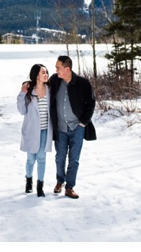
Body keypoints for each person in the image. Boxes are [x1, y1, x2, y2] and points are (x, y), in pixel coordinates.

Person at [49, 55, 96, 199]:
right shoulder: (55, 80)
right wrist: (27, 85)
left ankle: (69, 187)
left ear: (67, 69)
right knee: (60, 157)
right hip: (61, 128)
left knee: (74, 159)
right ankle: (59, 181)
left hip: (77, 128)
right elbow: (40, 84)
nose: (56, 70)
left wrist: (83, 122)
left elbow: (91, 103)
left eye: (58, 68)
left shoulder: (83, 83)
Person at [16, 63, 52, 197]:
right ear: (36, 75)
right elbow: (22, 110)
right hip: (31, 130)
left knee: (42, 157)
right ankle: (28, 181)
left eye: (47, 72)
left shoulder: (50, 89)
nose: (46, 75)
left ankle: (40, 185)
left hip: (45, 130)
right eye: (43, 72)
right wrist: (22, 93)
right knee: (31, 158)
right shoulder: (29, 91)